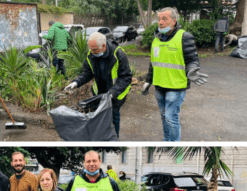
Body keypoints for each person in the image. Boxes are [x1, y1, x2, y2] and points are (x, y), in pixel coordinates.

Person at [142, 7, 207, 142]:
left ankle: (175, 146)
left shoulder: (184, 37)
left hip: (176, 86)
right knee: (164, 116)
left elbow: (192, 59)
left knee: (171, 118)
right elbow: (153, 62)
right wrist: (148, 80)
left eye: (164, 19)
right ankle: (167, 141)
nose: (160, 22)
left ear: (173, 21)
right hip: (159, 85)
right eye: (159, 19)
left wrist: (192, 70)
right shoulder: (156, 39)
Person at [64, 32, 132, 138]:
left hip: (116, 94)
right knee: (100, 117)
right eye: (91, 49)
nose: (92, 52)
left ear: (103, 46)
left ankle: (114, 139)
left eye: (95, 50)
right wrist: (76, 82)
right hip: (99, 93)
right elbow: (87, 73)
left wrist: (112, 93)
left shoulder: (117, 54)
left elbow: (126, 77)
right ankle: (102, 138)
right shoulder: (90, 55)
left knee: (113, 117)